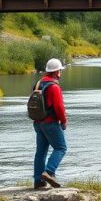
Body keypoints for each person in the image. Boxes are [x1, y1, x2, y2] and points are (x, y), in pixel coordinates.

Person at [32, 58, 68, 189]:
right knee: (61, 148)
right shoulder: (54, 86)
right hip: (50, 123)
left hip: (38, 123)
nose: (60, 73)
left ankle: (38, 181)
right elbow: (59, 107)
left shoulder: (38, 83)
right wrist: (63, 121)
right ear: (57, 72)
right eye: (60, 71)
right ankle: (49, 172)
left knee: (40, 151)